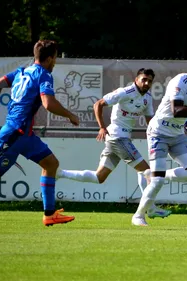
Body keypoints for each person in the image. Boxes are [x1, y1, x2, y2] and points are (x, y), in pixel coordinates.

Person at [0, 40, 78, 226]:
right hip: (15, 134)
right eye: (55, 58)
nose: (55, 62)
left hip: (24, 135)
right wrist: (70, 115)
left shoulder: (22, 71)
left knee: (51, 163)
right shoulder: (44, 75)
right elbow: (48, 103)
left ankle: (49, 214)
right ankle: (49, 213)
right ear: (48, 59)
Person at [57, 68, 171, 218]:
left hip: (120, 139)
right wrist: (102, 127)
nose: (147, 83)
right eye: (144, 79)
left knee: (99, 177)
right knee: (148, 172)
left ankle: (59, 173)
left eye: (149, 81)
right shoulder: (124, 92)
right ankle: (150, 209)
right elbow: (98, 104)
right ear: (136, 79)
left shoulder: (147, 98)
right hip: (118, 137)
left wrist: (163, 131)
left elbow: (150, 121)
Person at [131, 51, 187, 226]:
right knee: (157, 182)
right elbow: (176, 110)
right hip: (158, 132)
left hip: (178, 134)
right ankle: (138, 216)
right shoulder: (179, 81)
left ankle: (157, 175)